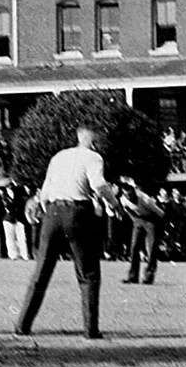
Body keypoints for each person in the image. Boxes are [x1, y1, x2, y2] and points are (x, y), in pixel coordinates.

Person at [15, 123, 122, 336]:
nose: (101, 146)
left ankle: (22, 325)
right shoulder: (93, 158)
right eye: (99, 142)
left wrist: (47, 210)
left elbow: (45, 190)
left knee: (41, 273)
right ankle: (90, 329)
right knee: (88, 273)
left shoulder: (59, 157)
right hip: (78, 213)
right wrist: (114, 204)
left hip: (53, 212)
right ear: (92, 142)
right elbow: (98, 184)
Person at [120, 179, 163, 285]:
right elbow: (127, 210)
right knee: (134, 247)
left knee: (151, 248)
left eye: (130, 195)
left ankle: (149, 275)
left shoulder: (144, 198)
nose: (129, 197)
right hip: (138, 220)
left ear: (133, 191)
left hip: (151, 219)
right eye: (127, 196)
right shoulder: (123, 199)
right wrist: (135, 220)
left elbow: (160, 213)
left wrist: (158, 228)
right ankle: (133, 276)